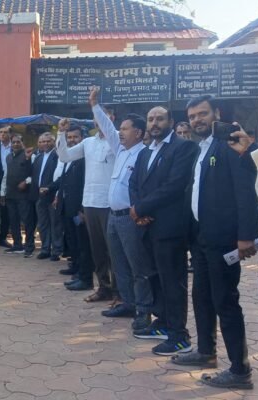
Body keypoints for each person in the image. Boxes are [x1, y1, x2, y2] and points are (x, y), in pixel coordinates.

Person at [171, 95, 258, 389]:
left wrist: (246, 236)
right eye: (192, 116)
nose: (197, 120)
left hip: (224, 239)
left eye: (203, 113)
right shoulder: (201, 148)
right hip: (201, 238)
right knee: (202, 297)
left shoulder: (229, 144)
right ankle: (206, 351)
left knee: (225, 301)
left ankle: (240, 370)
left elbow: (245, 189)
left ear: (216, 113)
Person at [129, 105, 199, 356]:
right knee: (154, 277)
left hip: (169, 227)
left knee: (172, 281)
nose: (154, 123)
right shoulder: (145, 152)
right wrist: (138, 210)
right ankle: (163, 322)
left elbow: (175, 185)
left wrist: (140, 208)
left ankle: (179, 336)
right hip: (146, 226)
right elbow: (133, 183)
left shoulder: (184, 147)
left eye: (160, 119)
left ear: (170, 121)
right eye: (150, 119)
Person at [88, 87, 155, 328]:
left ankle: (144, 310)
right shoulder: (121, 150)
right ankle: (128, 303)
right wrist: (94, 105)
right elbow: (106, 127)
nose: (120, 132)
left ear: (138, 133)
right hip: (113, 217)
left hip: (131, 218)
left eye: (125, 129)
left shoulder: (144, 155)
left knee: (138, 266)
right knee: (119, 264)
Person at [56, 114, 116, 303]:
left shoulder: (117, 140)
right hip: (90, 202)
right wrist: (60, 133)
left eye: (104, 116)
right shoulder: (88, 143)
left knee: (113, 251)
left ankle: (120, 293)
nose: (100, 121)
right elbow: (64, 156)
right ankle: (104, 288)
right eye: (96, 117)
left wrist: (95, 106)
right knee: (97, 251)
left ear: (112, 118)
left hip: (109, 203)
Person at [52, 125, 95, 291]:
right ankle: (75, 268)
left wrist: (82, 209)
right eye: (69, 137)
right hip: (66, 206)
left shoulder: (84, 158)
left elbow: (84, 184)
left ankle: (83, 276)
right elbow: (64, 181)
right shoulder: (69, 158)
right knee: (72, 241)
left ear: (82, 138)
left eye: (75, 137)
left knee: (82, 243)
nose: (72, 140)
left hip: (79, 208)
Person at [0, 134, 33, 254]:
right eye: (13, 142)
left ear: (22, 143)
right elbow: (5, 175)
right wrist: (2, 193)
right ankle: (17, 244)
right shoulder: (8, 157)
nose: (15, 144)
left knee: (27, 221)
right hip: (10, 194)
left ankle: (29, 245)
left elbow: (34, 173)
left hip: (24, 194)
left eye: (18, 142)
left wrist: (26, 182)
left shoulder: (29, 155)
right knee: (13, 221)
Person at [31, 133, 63, 261]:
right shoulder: (38, 157)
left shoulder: (58, 156)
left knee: (55, 224)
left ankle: (56, 250)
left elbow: (60, 176)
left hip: (52, 195)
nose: (45, 143)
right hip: (40, 196)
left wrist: (53, 190)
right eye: (42, 141)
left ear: (53, 142)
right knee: (42, 224)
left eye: (48, 141)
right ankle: (45, 249)